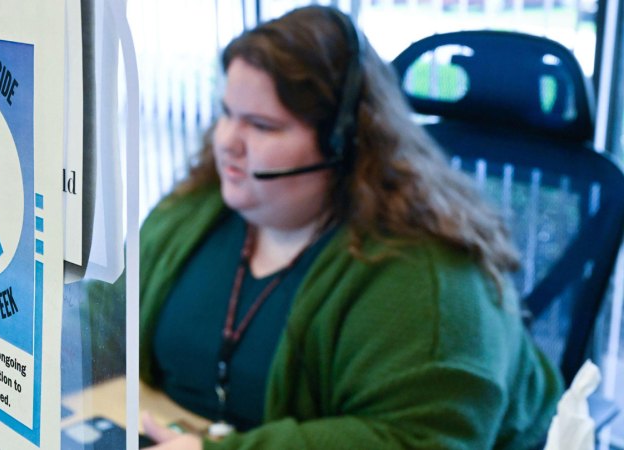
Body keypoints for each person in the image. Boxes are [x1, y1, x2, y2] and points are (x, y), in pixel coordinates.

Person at [139, 5, 562, 449]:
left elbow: (415, 439)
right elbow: (107, 315)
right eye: (228, 113)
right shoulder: (198, 208)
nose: (226, 141)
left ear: (343, 143)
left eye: (262, 126)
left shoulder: (430, 277)